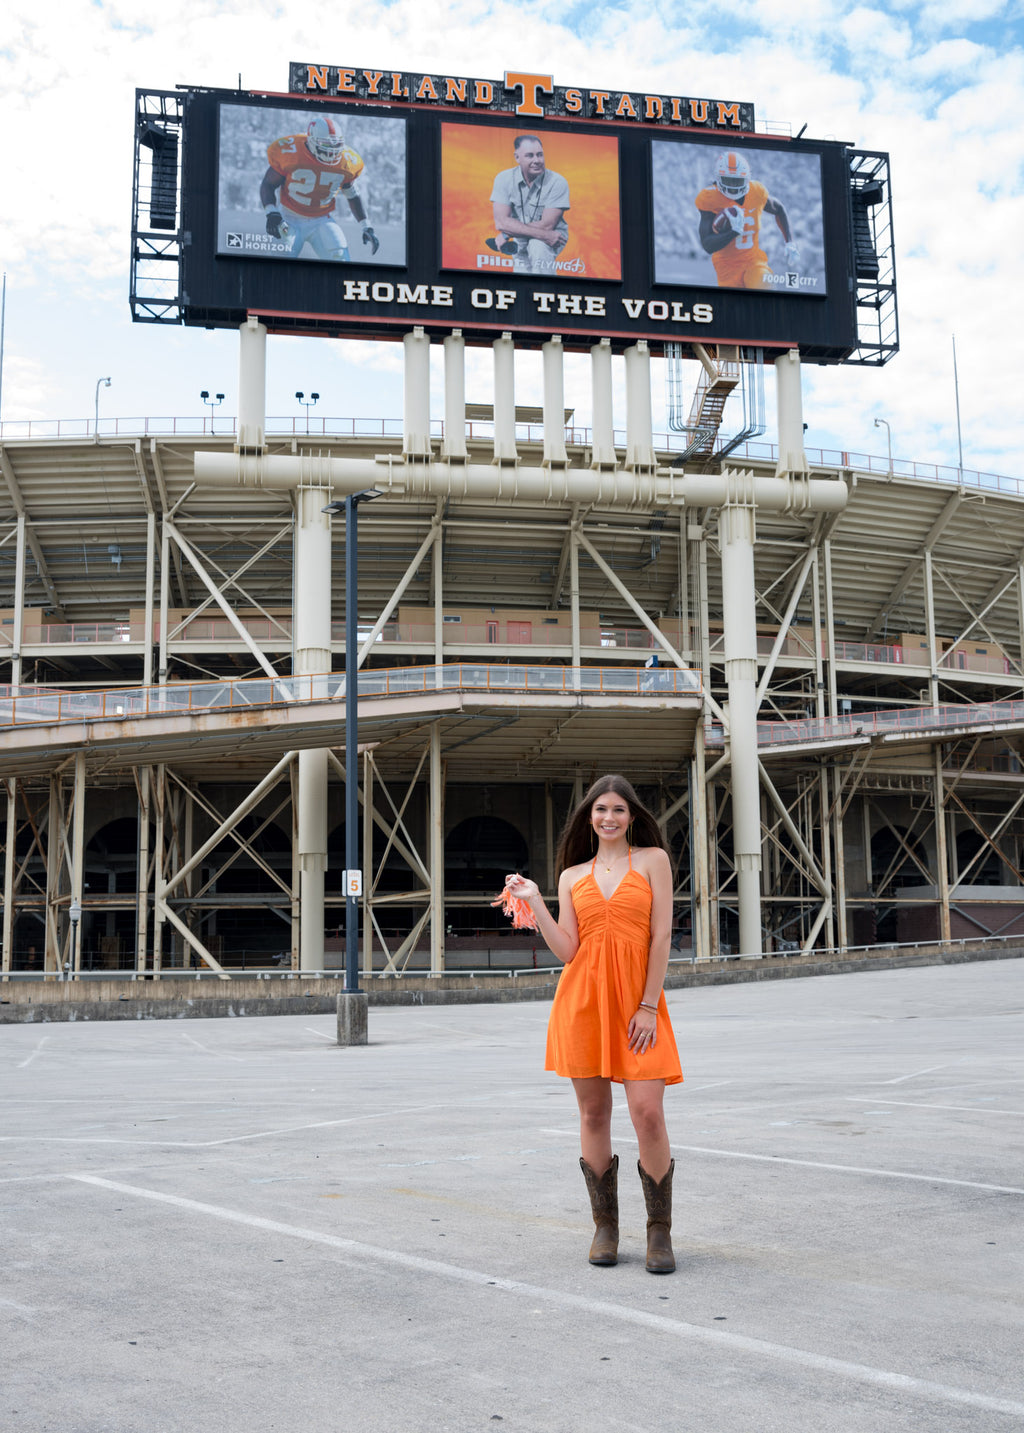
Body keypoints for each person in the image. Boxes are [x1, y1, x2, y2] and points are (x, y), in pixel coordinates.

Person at [500, 774, 682, 1273]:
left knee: (648, 1112)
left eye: (618, 810)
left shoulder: (652, 861)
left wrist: (648, 1005)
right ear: (588, 817)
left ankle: (659, 1232)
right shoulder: (571, 875)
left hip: (637, 1005)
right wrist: (535, 901)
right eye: (600, 810)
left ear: (632, 816)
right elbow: (568, 951)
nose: (608, 818)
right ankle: (605, 1226)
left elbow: (662, 936)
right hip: (582, 1002)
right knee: (593, 1115)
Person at [260, 116, 379, 262]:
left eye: (336, 146)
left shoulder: (347, 161)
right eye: (327, 146)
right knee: (279, 266)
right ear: (311, 141)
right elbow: (268, 184)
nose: (332, 152)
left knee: (341, 260)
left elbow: (351, 193)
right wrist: (271, 213)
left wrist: (366, 226)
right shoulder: (291, 152)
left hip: (321, 220)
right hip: (289, 217)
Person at [695, 149, 800, 290]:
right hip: (727, 267)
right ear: (718, 178)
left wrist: (790, 242)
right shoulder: (710, 198)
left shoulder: (756, 192)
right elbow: (707, 245)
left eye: (737, 180)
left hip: (754, 261)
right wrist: (733, 232)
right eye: (729, 180)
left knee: (766, 292)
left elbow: (779, 209)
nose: (733, 187)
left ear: (747, 179)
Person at [489, 135, 569, 276]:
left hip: (553, 238)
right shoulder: (503, 178)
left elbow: (547, 226)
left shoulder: (558, 181)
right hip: (522, 236)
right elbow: (501, 222)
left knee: (537, 246)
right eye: (530, 156)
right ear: (517, 157)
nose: (537, 160)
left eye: (540, 155)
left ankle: (546, 293)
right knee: (522, 278)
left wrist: (507, 233)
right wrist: (507, 231)